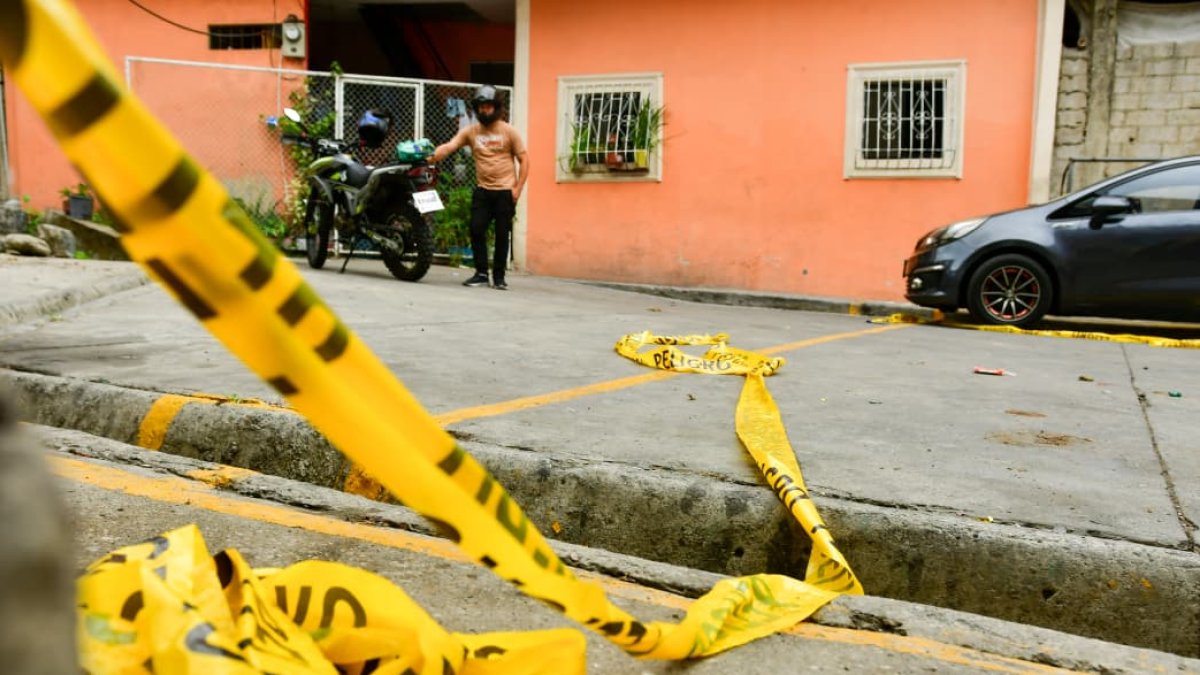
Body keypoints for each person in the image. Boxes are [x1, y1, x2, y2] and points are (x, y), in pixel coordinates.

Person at [431, 85, 529, 290]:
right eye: (481, 107)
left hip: (505, 191)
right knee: (476, 229)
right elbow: (450, 146)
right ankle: (481, 273)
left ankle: (499, 277)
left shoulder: (509, 131)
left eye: (489, 106)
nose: (485, 110)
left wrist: (518, 188)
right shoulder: (471, 132)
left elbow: (524, 159)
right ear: (476, 108)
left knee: (503, 235)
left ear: (497, 107)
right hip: (483, 191)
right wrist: (431, 156)